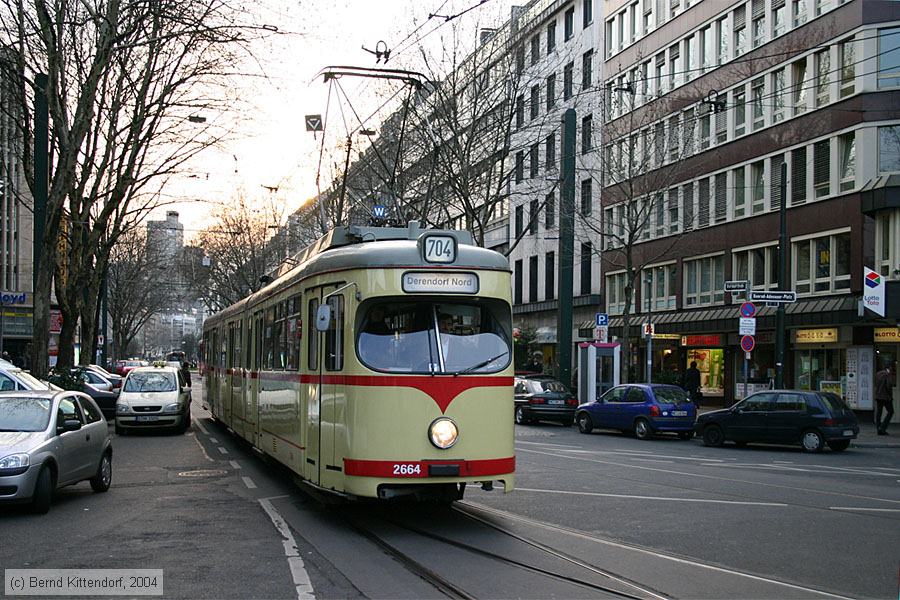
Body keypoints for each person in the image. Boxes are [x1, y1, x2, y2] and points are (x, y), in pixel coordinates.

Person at [874, 363, 894, 436]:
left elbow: (876, 385)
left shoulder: (877, 374)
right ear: (889, 367)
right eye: (891, 367)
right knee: (891, 412)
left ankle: (878, 429)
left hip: (878, 396)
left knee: (879, 413)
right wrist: (890, 396)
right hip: (886, 397)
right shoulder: (887, 374)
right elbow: (889, 385)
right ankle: (882, 428)